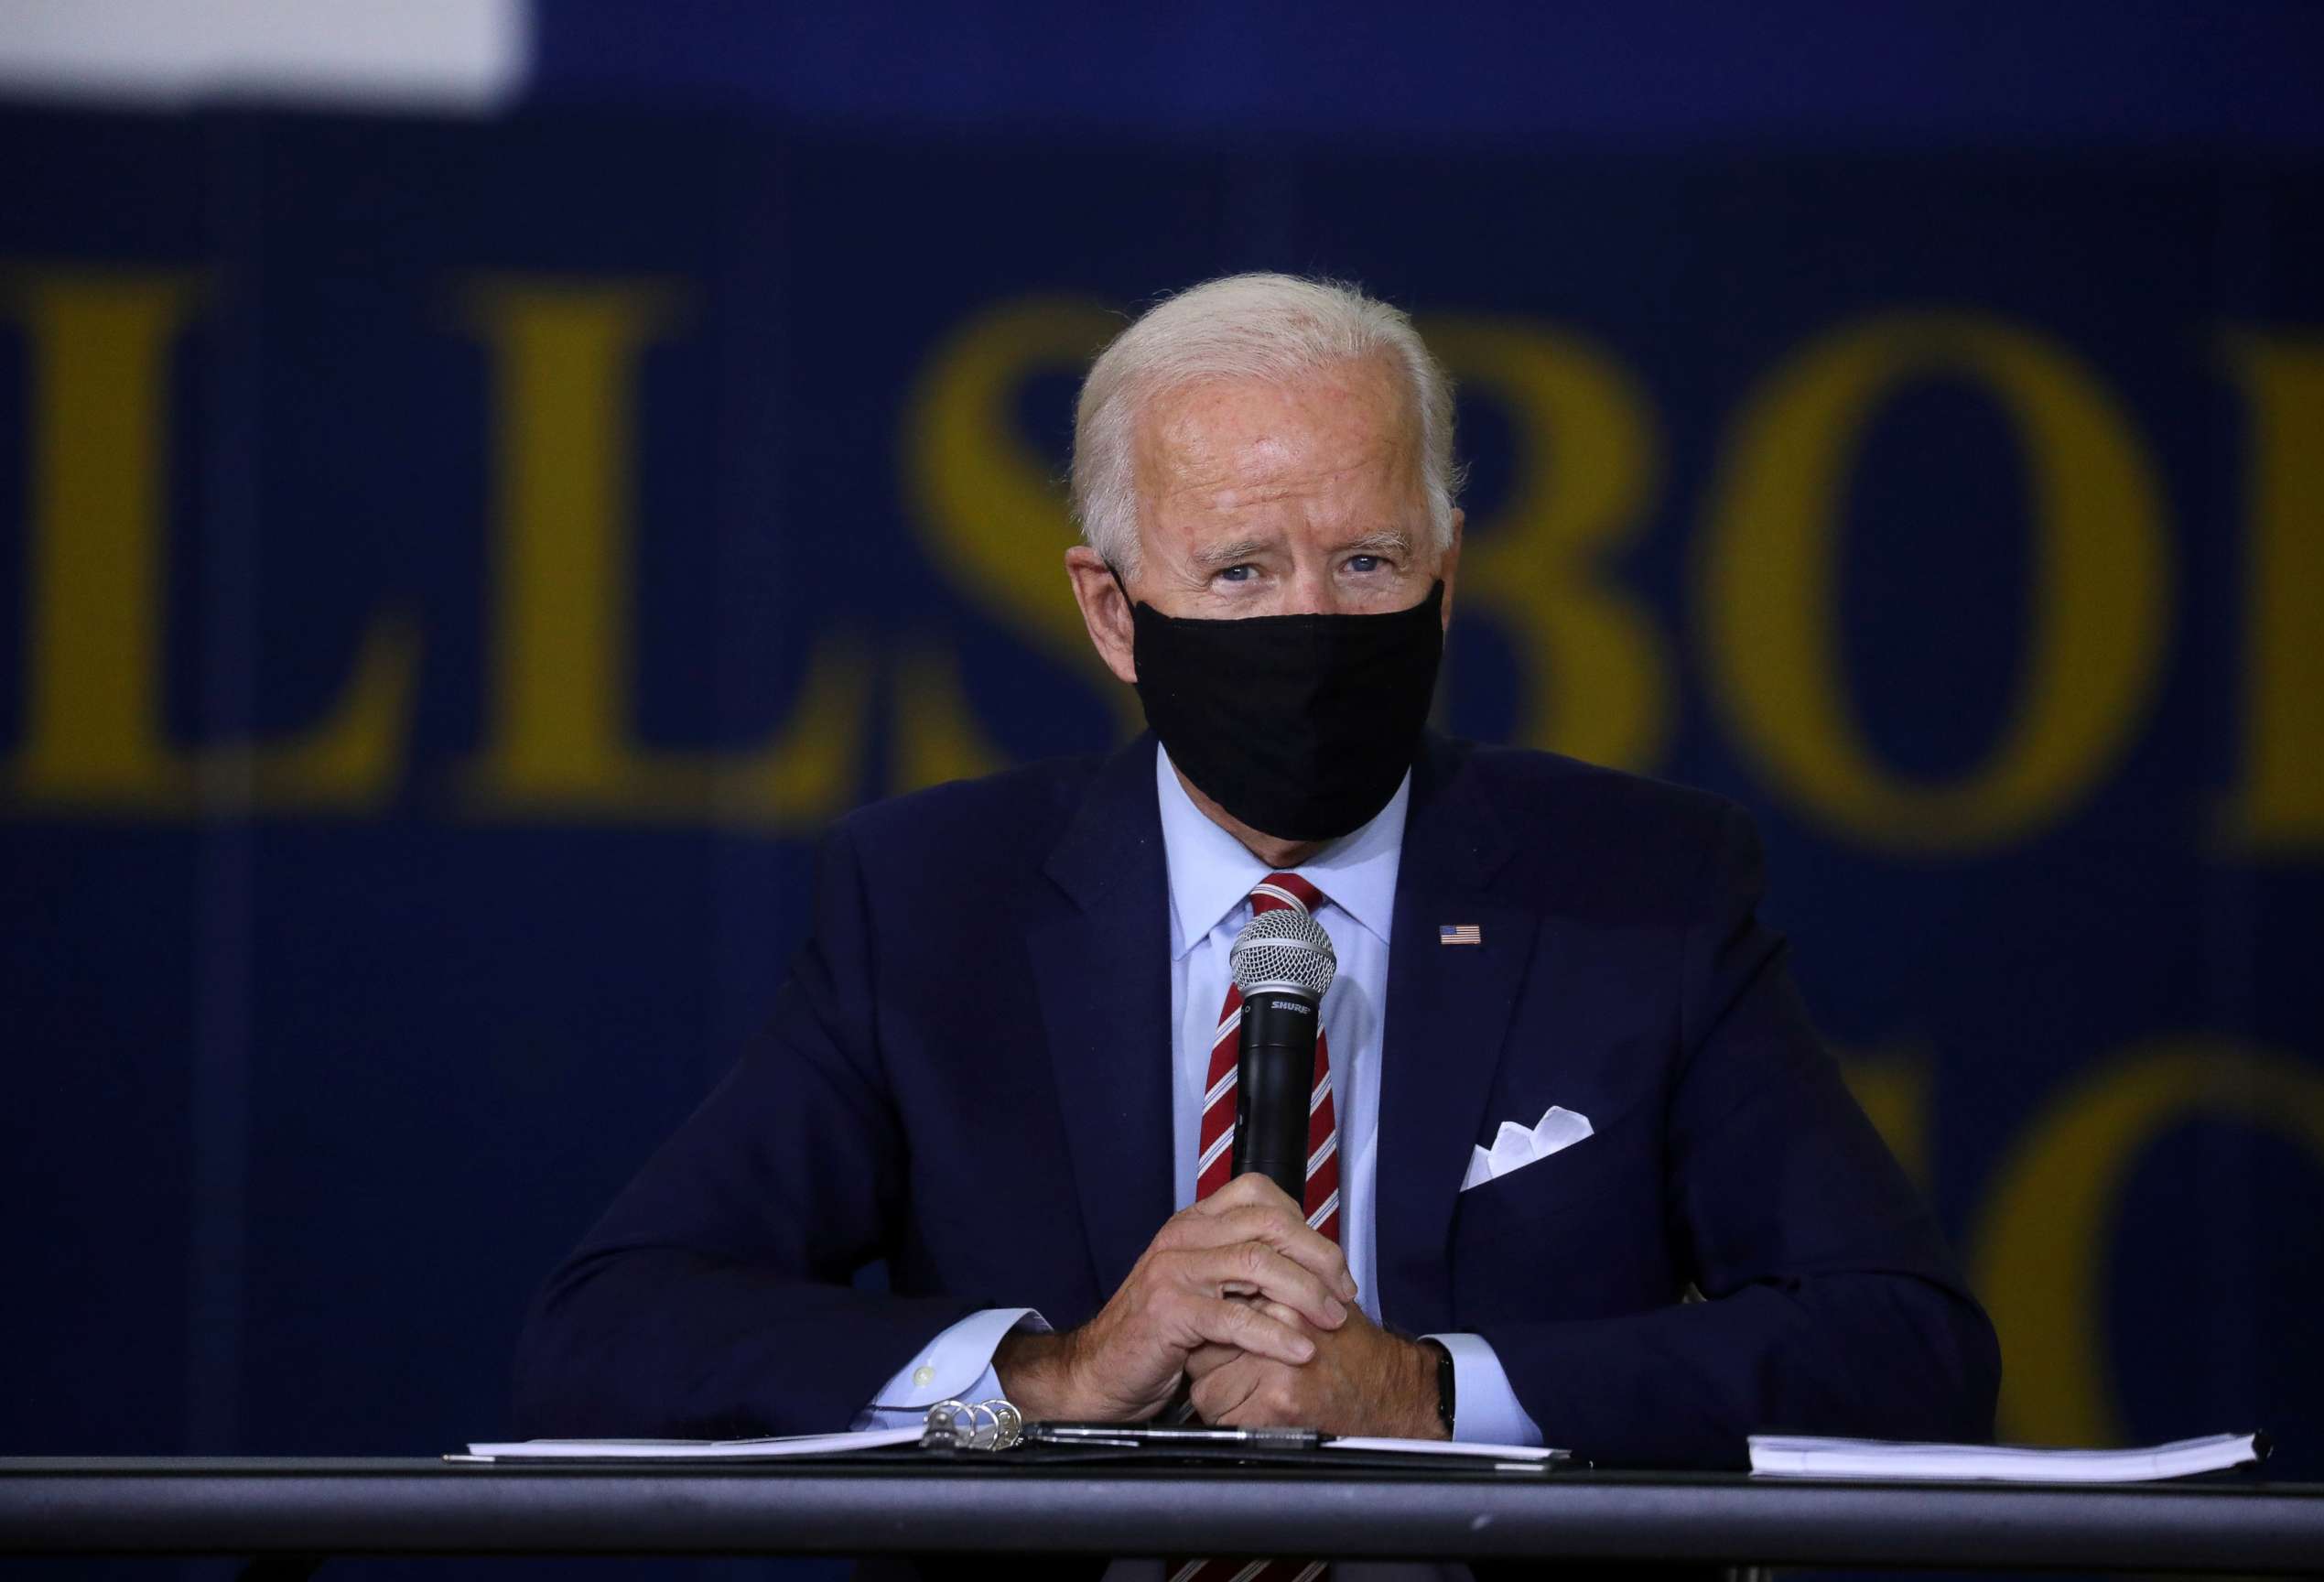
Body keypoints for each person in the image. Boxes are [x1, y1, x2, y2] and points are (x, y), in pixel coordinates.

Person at [514, 274, 1997, 1479]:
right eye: (1240, 572)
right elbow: (614, 1336)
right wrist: (1054, 1374)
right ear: (1113, 609)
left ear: (1450, 571)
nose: (1312, 619)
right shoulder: (933, 903)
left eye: (1365, 562)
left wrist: (1428, 1390)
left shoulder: (1635, 890)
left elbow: (1905, 1354)